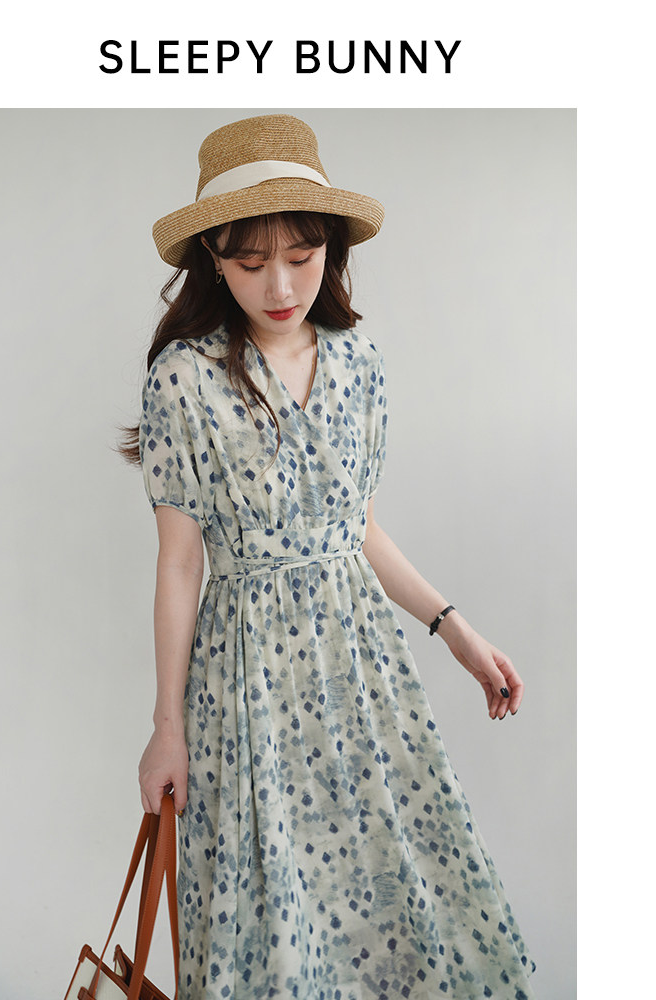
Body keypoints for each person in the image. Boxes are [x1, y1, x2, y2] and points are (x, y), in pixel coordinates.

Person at [120, 114, 536, 1000]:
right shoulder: (185, 378)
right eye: (249, 263)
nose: (280, 285)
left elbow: (360, 533)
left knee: (395, 897)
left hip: (361, 674)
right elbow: (180, 564)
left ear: (331, 249)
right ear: (212, 261)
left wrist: (456, 632)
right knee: (272, 912)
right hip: (247, 686)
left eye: (302, 256)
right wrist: (167, 725)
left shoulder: (362, 364)